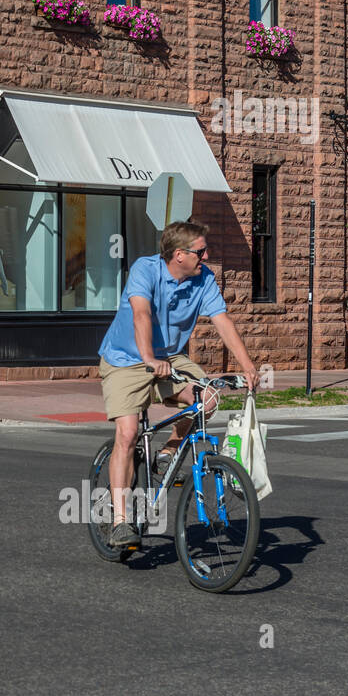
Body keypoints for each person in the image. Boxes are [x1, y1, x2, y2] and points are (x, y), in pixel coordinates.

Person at [97, 221, 261, 547]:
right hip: (126, 360)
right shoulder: (146, 270)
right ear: (179, 255)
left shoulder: (203, 279)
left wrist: (248, 368)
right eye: (201, 251)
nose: (207, 256)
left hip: (169, 358)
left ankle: (169, 452)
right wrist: (148, 358)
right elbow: (141, 314)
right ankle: (119, 522)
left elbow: (222, 322)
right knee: (127, 434)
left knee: (208, 397)